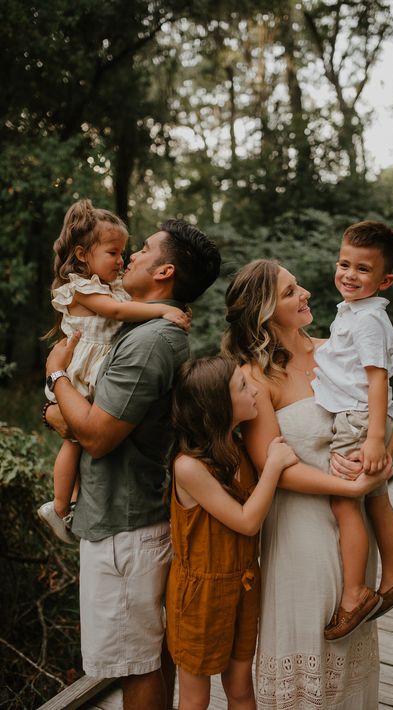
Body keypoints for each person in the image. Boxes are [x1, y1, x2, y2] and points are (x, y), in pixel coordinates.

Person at [44, 216, 221, 710]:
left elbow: (97, 436)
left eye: (142, 249)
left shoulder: (148, 342)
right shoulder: (141, 326)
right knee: (145, 654)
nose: (131, 257)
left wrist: (55, 376)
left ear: (164, 271)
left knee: (134, 665)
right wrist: (60, 414)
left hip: (123, 530)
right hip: (124, 519)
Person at [221, 259, 393, 709]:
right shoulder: (254, 377)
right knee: (309, 653)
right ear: (263, 311)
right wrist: (351, 490)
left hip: (354, 532)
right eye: (290, 291)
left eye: (298, 286)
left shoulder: (335, 351)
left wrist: (381, 452)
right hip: (301, 536)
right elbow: (271, 466)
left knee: (348, 661)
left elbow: (384, 415)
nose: (306, 295)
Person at [38, 199, 190, 544]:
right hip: (81, 369)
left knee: (78, 440)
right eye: (113, 253)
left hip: (87, 372)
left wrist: (169, 311)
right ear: (81, 254)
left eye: (126, 252)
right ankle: (60, 506)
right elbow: (118, 313)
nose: (123, 260)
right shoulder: (83, 288)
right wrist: (161, 313)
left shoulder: (116, 294)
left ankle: (70, 503)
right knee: (73, 443)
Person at [166, 355, 298, 709]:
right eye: (243, 386)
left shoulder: (238, 449)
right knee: (196, 699)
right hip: (200, 599)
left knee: (240, 689)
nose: (254, 389)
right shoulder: (188, 468)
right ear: (218, 406)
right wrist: (272, 466)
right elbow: (246, 520)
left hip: (243, 586)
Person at [312, 220, 393, 642]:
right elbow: (341, 355)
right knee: (377, 500)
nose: (349, 275)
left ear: (385, 279)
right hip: (366, 416)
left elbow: (377, 379)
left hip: (359, 418)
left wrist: (374, 437)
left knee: (344, 501)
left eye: (362, 269)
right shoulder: (355, 312)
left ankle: (355, 593)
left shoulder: (369, 321)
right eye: (344, 264)